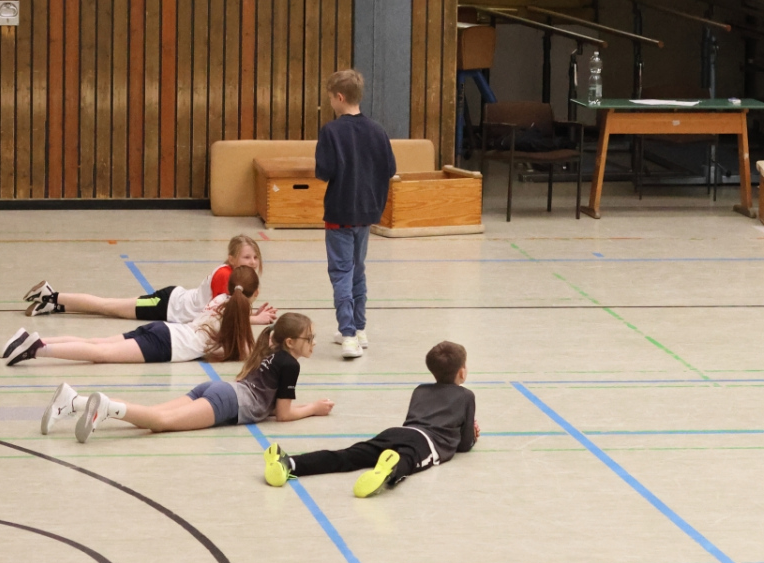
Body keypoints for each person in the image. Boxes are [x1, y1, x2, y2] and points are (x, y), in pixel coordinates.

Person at [49, 313, 335, 441]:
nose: (313, 342)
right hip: (227, 401)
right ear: (290, 342)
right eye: (308, 338)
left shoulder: (271, 352)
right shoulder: (290, 364)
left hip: (218, 389)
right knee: (160, 422)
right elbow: (283, 415)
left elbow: (269, 404)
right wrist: (313, 408)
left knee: (152, 416)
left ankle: (74, 402)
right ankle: (106, 407)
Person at [263, 340, 477, 497]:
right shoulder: (466, 396)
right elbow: (464, 445)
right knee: (407, 460)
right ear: (461, 372)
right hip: (427, 443)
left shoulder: (420, 390)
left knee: (347, 456)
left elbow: (412, 421)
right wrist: (472, 436)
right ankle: (387, 472)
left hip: (397, 433)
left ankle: (290, 463)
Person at [0, 267, 261, 366]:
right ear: (256, 293)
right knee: (100, 354)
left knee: (96, 343)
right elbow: (243, 350)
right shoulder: (235, 315)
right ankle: (35, 350)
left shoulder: (220, 300)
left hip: (164, 330)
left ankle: (31, 340)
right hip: (165, 344)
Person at [315, 69, 397, 359]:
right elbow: (390, 169)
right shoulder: (377, 130)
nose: (330, 103)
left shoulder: (331, 131)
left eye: (330, 98)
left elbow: (324, 171)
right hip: (367, 212)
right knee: (357, 270)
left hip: (340, 211)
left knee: (341, 272)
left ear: (339, 97)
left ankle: (348, 334)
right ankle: (359, 329)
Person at [23, 235, 272, 322]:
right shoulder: (225, 276)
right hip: (166, 305)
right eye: (246, 257)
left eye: (255, 257)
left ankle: (53, 304)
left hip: (173, 306)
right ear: (231, 259)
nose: (252, 262)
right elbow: (222, 315)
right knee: (108, 306)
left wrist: (252, 313)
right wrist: (255, 319)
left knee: (109, 308)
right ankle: (51, 295)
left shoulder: (238, 279)